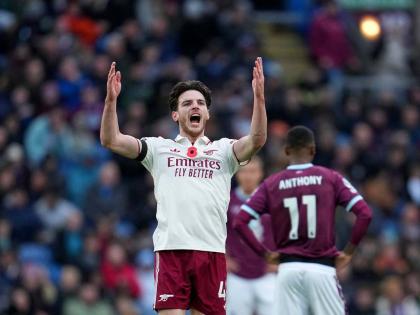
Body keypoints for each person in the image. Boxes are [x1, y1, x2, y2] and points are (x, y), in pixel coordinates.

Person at [100, 57, 266, 315]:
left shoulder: (223, 151)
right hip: (171, 252)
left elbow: (257, 139)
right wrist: (111, 101)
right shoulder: (158, 148)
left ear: (208, 113)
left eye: (200, 103)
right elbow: (111, 140)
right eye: (187, 103)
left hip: (212, 253)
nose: (195, 107)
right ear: (176, 114)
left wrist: (259, 98)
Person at [234, 125, 372, 315]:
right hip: (321, 267)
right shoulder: (331, 178)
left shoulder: (272, 184)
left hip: (287, 269)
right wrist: (348, 252)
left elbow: (240, 221)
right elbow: (365, 214)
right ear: (313, 150)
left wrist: (264, 254)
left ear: (286, 151)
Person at [225, 157, 276, 315]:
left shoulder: (272, 200)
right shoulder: (227, 201)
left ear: (260, 173)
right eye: (244, 171)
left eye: (253, 171)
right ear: (237, 174)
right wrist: (224, 258)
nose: (248, 176)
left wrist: (282, 259)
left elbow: (287, 232)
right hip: (237, 273)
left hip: (267, 273)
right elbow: (215, 232)